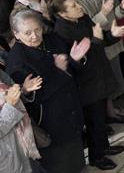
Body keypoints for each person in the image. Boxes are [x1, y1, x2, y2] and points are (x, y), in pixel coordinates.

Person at [50, 0, 124, 170]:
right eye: (73, 6)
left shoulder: (83, 18)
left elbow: (100, 36)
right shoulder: (62, 32)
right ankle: (96, 157)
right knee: (94, 121)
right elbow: (78, 59)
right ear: (62, 14)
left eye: (77, 3)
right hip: (86, 83)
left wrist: (114, 35)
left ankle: (104, 146)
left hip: (99, 74)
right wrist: (97, 41)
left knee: (101, 117)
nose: (79, 7)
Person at [6, 10, 89, 173]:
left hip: (71, 111)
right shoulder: (17, 60)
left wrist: (75, 60)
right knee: (60, 164)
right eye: (27, 33)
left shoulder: (52, 40)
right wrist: (57, 70)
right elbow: (35, 97)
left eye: (37, 30)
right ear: (16, 34)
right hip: (50, 122)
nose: (34, 36)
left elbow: (71, 67)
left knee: (78, 160)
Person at [0, 65, 44, 173]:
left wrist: (24, 90)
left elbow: (15, 98)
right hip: (9, 163)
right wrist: (9, 106)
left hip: (26, 147)